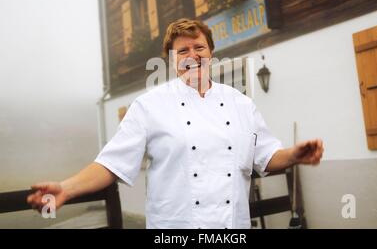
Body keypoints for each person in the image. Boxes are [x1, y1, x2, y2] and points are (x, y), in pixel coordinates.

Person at [27, 18, 324, 229]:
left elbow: (267, 157)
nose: (192, 56)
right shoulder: (149, 106)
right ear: (171, 60)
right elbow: (112, 164)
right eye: (182, 51)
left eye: (199, 48)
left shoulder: (241, 103)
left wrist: (294, 155)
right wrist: (66, 188)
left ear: (211, 54)